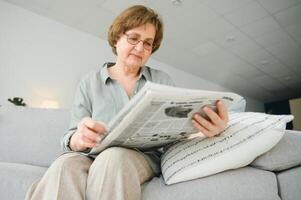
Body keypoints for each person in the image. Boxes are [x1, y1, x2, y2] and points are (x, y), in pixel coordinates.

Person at [25, 5, 228, 200]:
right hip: (90, 156)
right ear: (116, 39)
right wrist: (78, 138)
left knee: (113, 158)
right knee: (64, 165)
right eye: (133, 38)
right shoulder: (89, 82)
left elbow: (177, 135)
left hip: (140, 159)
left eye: (148, 43)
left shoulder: (161, 80)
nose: (140, 48)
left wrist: (207, 131)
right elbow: (70, 138)